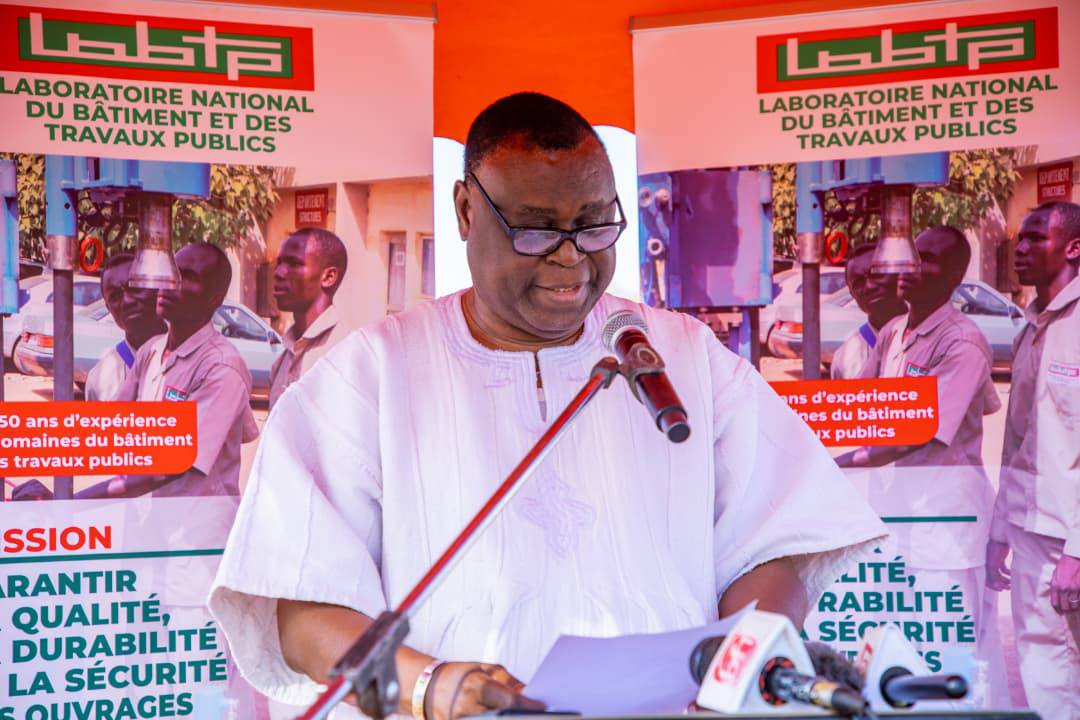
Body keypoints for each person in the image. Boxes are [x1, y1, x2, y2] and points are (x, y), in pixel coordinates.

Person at [209, 93, 886, 720]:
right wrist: (426, 685)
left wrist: (737, 670)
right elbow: (302, 610)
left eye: (594, 227)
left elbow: (773, 547)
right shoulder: (368, 376)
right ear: (466, 212)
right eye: (535, 230)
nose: (570, 259)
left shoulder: (686, 356)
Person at [836, 226, 1007, 703]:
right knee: (906, 644)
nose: (912, 267)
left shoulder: (963, 342)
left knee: (952, 650)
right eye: (913, 256)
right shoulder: (894, 331)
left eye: (928, 260)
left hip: (944, 527)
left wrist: (840, 463)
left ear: (954, 277)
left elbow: (915, 434)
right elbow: (860, 408)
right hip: (899, 519)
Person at [986, 200, 1080, 718]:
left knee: (1061, 674)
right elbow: (1015, 443)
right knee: (1045, 671)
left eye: (1036, 238)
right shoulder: (1030, 325)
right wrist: (1002, 529)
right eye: (1019, 238)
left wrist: (1077, 552)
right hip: (1031, 531)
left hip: (1069, 539)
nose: (1020, 249)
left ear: (1073, 248)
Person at [85, 242, 258, 499]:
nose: (170, 283)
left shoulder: (222, 366)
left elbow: (171, 463)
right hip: (153, 518)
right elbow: (111, 426)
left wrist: (70, 501)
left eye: (187, 277)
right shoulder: (152, 351)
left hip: (198, 523)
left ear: (215, 298)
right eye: (171, 272)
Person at [268, 228, 349, 408]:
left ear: (328, 277)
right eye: (279, 263)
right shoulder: (283, 359)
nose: (279, 273)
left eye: (294, 264)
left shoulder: (345, 351)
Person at [85, 253, 166, 401]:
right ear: (109, 309)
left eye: (135, 289)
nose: (127, 301)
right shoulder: (100, 380)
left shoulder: (197, 358)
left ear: (157, 289)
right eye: (115, 297)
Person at [829, 243, 905, 380]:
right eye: (858, 283)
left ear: (899, 275)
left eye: (877, 275)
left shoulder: (935, 335)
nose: (870, 286)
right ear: (852, 294)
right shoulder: (845, 359)